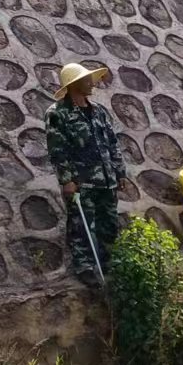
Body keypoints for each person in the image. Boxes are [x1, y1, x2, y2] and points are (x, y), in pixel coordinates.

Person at [44, 61, 126, 286]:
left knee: (108, 222)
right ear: (73, 85)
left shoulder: (98, 111)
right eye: (86, 80)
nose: (92, 84)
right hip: (82, 182)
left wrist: (119, 172)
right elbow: (57, 150)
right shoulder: (58, 114)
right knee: (82, 224)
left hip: (106, 179)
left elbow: (112, 142)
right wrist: (67, 180)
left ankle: (111, 263)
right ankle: (84, 266)